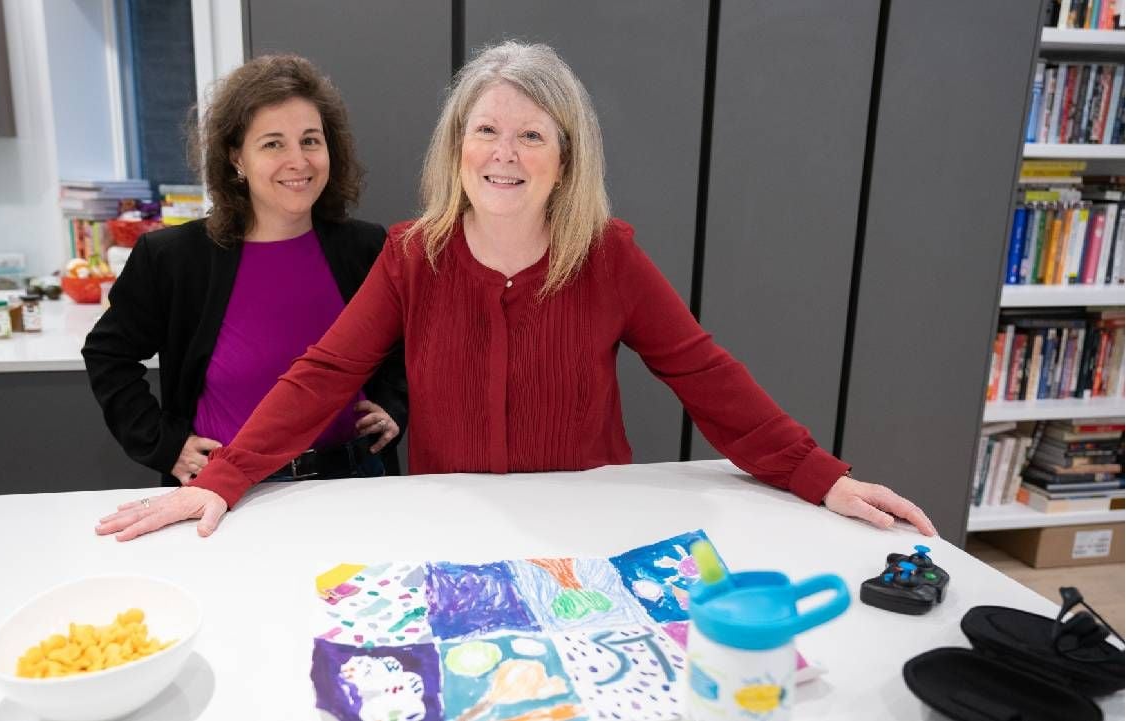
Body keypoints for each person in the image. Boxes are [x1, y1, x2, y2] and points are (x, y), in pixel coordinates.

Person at [95, 41, 936, 542]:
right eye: (485, 130)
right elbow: (324, 372)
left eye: (530, 134)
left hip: (589, 525)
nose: (504, 152)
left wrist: (819, 474)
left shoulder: (607, 257)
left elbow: (705, 375)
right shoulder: (409, 256)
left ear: (564, 156)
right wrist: (221, 478)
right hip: (452, 526)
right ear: (456, 146)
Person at [83, 54, 407, 500]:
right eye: (273, 144)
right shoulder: (174, 258)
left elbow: (404, 344)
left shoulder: (368, 248)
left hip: (354, 482)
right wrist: (164, 444)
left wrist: (393, 404)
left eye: (310, 140)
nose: (298, 160)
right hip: (228, 491)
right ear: (236, 158)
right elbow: (107, 354)